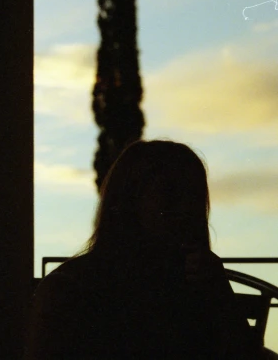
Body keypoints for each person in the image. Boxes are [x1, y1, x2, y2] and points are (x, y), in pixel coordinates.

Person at [23, 139, 273, 359]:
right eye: (171, 195)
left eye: (193, 196)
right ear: (130, 202)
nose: (186, 209)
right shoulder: (73, 288)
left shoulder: (70, 284)